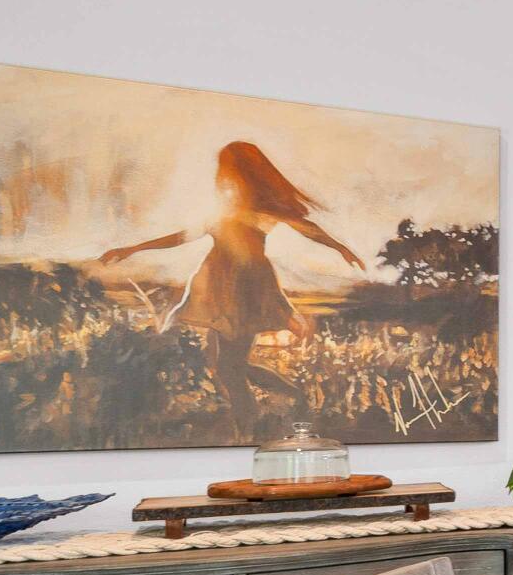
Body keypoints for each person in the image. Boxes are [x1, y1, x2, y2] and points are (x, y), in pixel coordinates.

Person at [101, 142, 365, 423]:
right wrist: (132, 249)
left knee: (229, 367)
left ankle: (260, 416)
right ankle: (277, 406)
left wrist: (340, 247)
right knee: (224, 364)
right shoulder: (225, 208)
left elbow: (307, 228)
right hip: (219, 292)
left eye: (226, 167)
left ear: (242, 172)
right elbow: (183, 236)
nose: (221, 173)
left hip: (244, 292)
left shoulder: (260, 211)